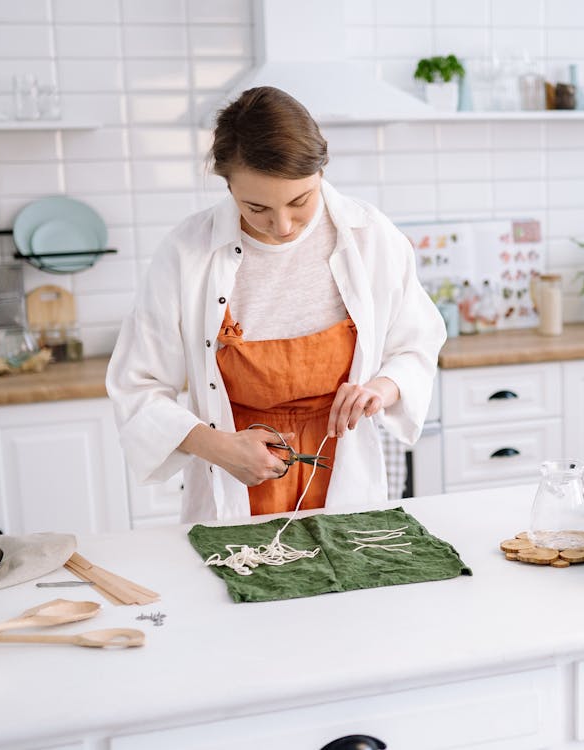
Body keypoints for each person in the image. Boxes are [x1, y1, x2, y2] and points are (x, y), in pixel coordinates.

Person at [107, 86, 446, 523]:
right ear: (228, 185)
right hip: (233, 483)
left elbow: (415, 346)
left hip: (346, 478)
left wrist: (381, 388)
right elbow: (138, 387)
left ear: (321, 170)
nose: (282, 225)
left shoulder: (371, 238)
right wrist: (218, 447)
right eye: (256, 207)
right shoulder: (187, 254)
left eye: (300, 201)